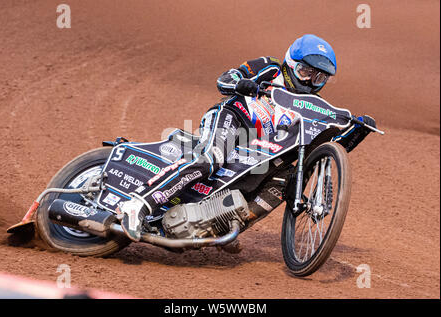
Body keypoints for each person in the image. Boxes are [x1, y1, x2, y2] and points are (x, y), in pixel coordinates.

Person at [117, 34, 376, 241]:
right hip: (234, 118)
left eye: (320, 77)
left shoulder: (314, 106)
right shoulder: (270, 67)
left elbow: (323, 151)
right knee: (211, 159)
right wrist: (243, 84)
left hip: (261, 149)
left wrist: (357, 131)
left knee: (285, 180)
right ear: (291, 63)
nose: (311, 82)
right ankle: (138, 206)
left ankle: (222, 226)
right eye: (307, 72)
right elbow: (225, 79)